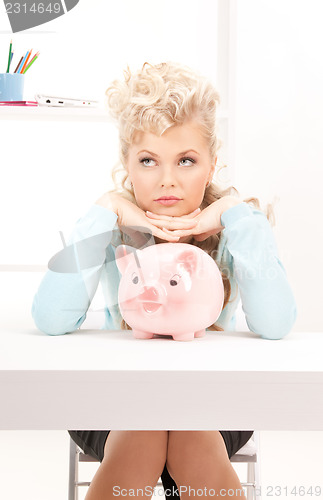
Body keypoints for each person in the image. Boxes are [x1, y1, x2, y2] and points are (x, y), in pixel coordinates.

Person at [31, 61, 297, 500]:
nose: (167, 180)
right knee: (145, 426)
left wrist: (233, 213)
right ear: (128, 165)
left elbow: (275, 323)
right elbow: (51, 319)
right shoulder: (111, 229)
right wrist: (104, 210)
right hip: (115, 400)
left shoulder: (236, 230)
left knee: (190, 432)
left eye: (187, 161)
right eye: (148, 161)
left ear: (212, 165)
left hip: (214, 402)